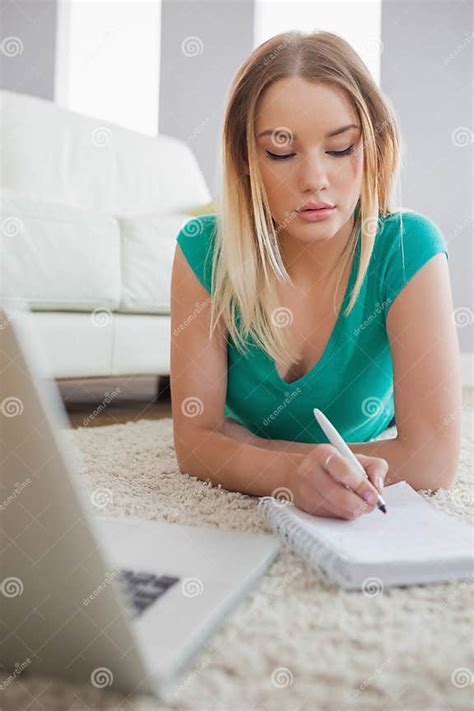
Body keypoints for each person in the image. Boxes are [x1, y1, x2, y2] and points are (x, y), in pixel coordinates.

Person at [171, 31, 459, 520]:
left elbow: (432, 461)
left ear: (374, 147)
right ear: (246, 163)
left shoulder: (409, 248)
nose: (314, 179)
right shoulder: (203, 249)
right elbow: (195, 444)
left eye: (341, 147)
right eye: (281, 152)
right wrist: (290, 477)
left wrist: (248, 454)